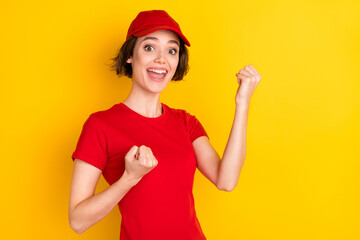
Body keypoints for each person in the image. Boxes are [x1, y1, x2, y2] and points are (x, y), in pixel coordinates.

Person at [68, 9, 261, 240]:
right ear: (130, 55)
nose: (161, 59)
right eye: (149, 47)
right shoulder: (100, 125)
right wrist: (130, 177)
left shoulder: (186, 122)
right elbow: (78, 221)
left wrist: (242, 103)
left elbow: (226, 180)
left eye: (171, 50)